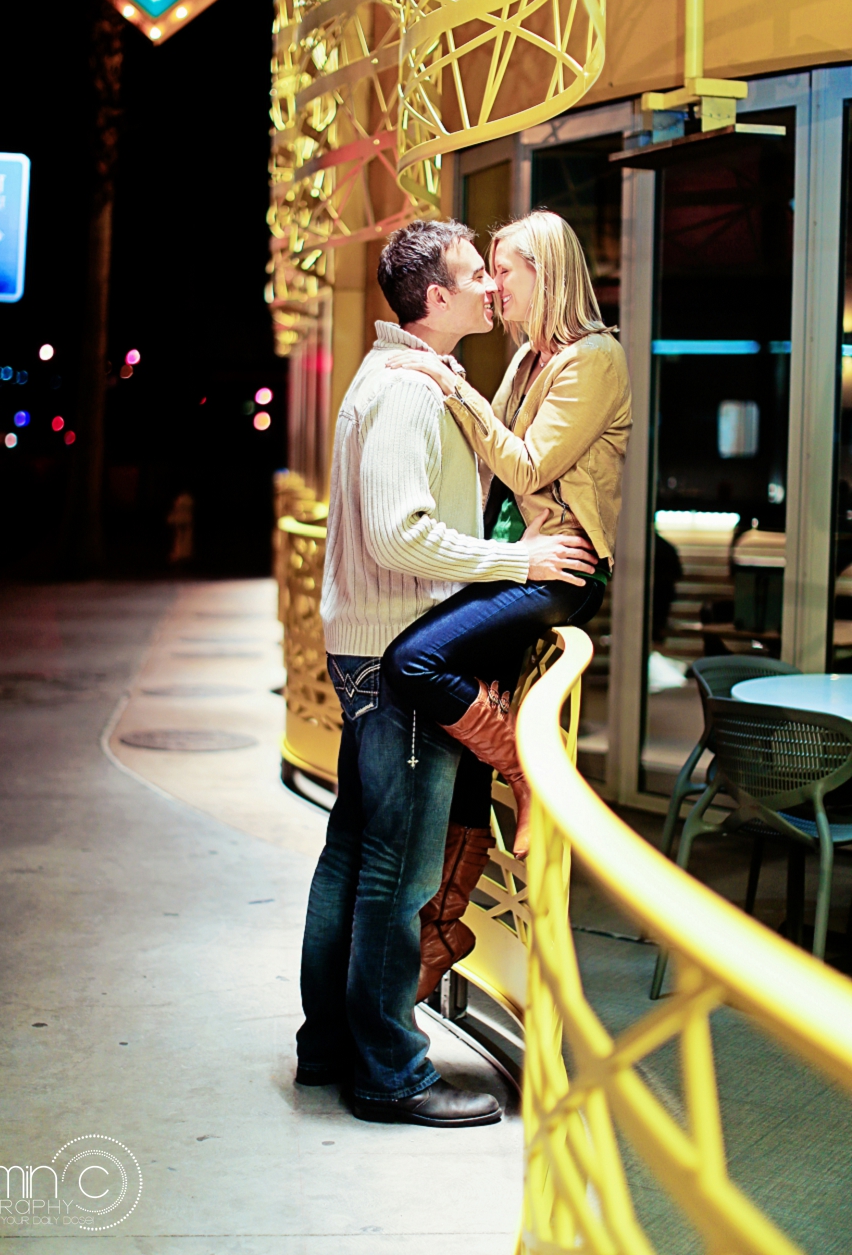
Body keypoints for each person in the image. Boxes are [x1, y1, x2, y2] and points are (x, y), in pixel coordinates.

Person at [296, 219, 597, 1128]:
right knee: (399, 869)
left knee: (354, 852)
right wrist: (523, 562)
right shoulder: (409, 393)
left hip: (368, 646)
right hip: (395, 650)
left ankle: (333, 1048)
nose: (491, 290)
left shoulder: (408, 377)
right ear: (436, 299)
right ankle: (388, 1070)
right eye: (476, 276)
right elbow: (399, 533)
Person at [381, 210, 632, 995]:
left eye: (507, 268)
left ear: (546, 273)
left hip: (560, 570)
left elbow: (523, 466)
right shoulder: (527, 358)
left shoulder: (595, 360)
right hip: (513, 567)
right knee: (460, 717)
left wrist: (450, 385)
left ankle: (523, 767)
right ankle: (442, 924)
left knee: (415, 660)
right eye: (486, 268)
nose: (494, 283)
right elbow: (483, 460)